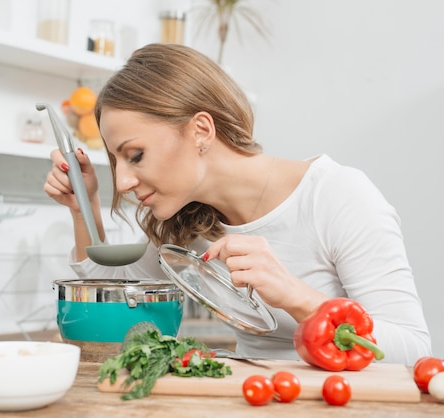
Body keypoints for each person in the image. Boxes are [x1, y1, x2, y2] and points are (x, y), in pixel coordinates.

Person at [44, 43, 431, 365]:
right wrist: (84, 209)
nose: (124, 181)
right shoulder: (186, 225)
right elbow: (104, 298)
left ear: (201, 130)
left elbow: (413, 351)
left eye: (136, 155)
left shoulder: (336, 195)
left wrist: (297, 297)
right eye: (117, 161)